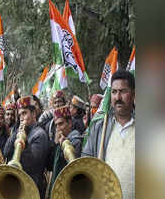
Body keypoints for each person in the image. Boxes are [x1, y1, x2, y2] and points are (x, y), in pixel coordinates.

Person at [82, 69, 135, 199]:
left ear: (133, 95)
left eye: (123, 91)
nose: (118, 97)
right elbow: (85, 163)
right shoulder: (99, 128)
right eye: (114, 92)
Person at [4, 96, 49, 199]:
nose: (21, 118)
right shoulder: (21, 131)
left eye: (24, 113)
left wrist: (24, 141)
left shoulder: (40, 134)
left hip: (33, 187)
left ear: (33, 114)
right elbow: (6, 152)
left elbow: (31, 164)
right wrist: (16, 133)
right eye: (20, 115)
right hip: (19, 186)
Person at [45, 106, 83, 198]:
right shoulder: (57, 141)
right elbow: (50, 166)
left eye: (61, 124)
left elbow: (71, 166)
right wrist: (55, 144)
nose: (58, 128)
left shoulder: (76, 140)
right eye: (56, 125)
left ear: (70, 123)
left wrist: (62, 145)